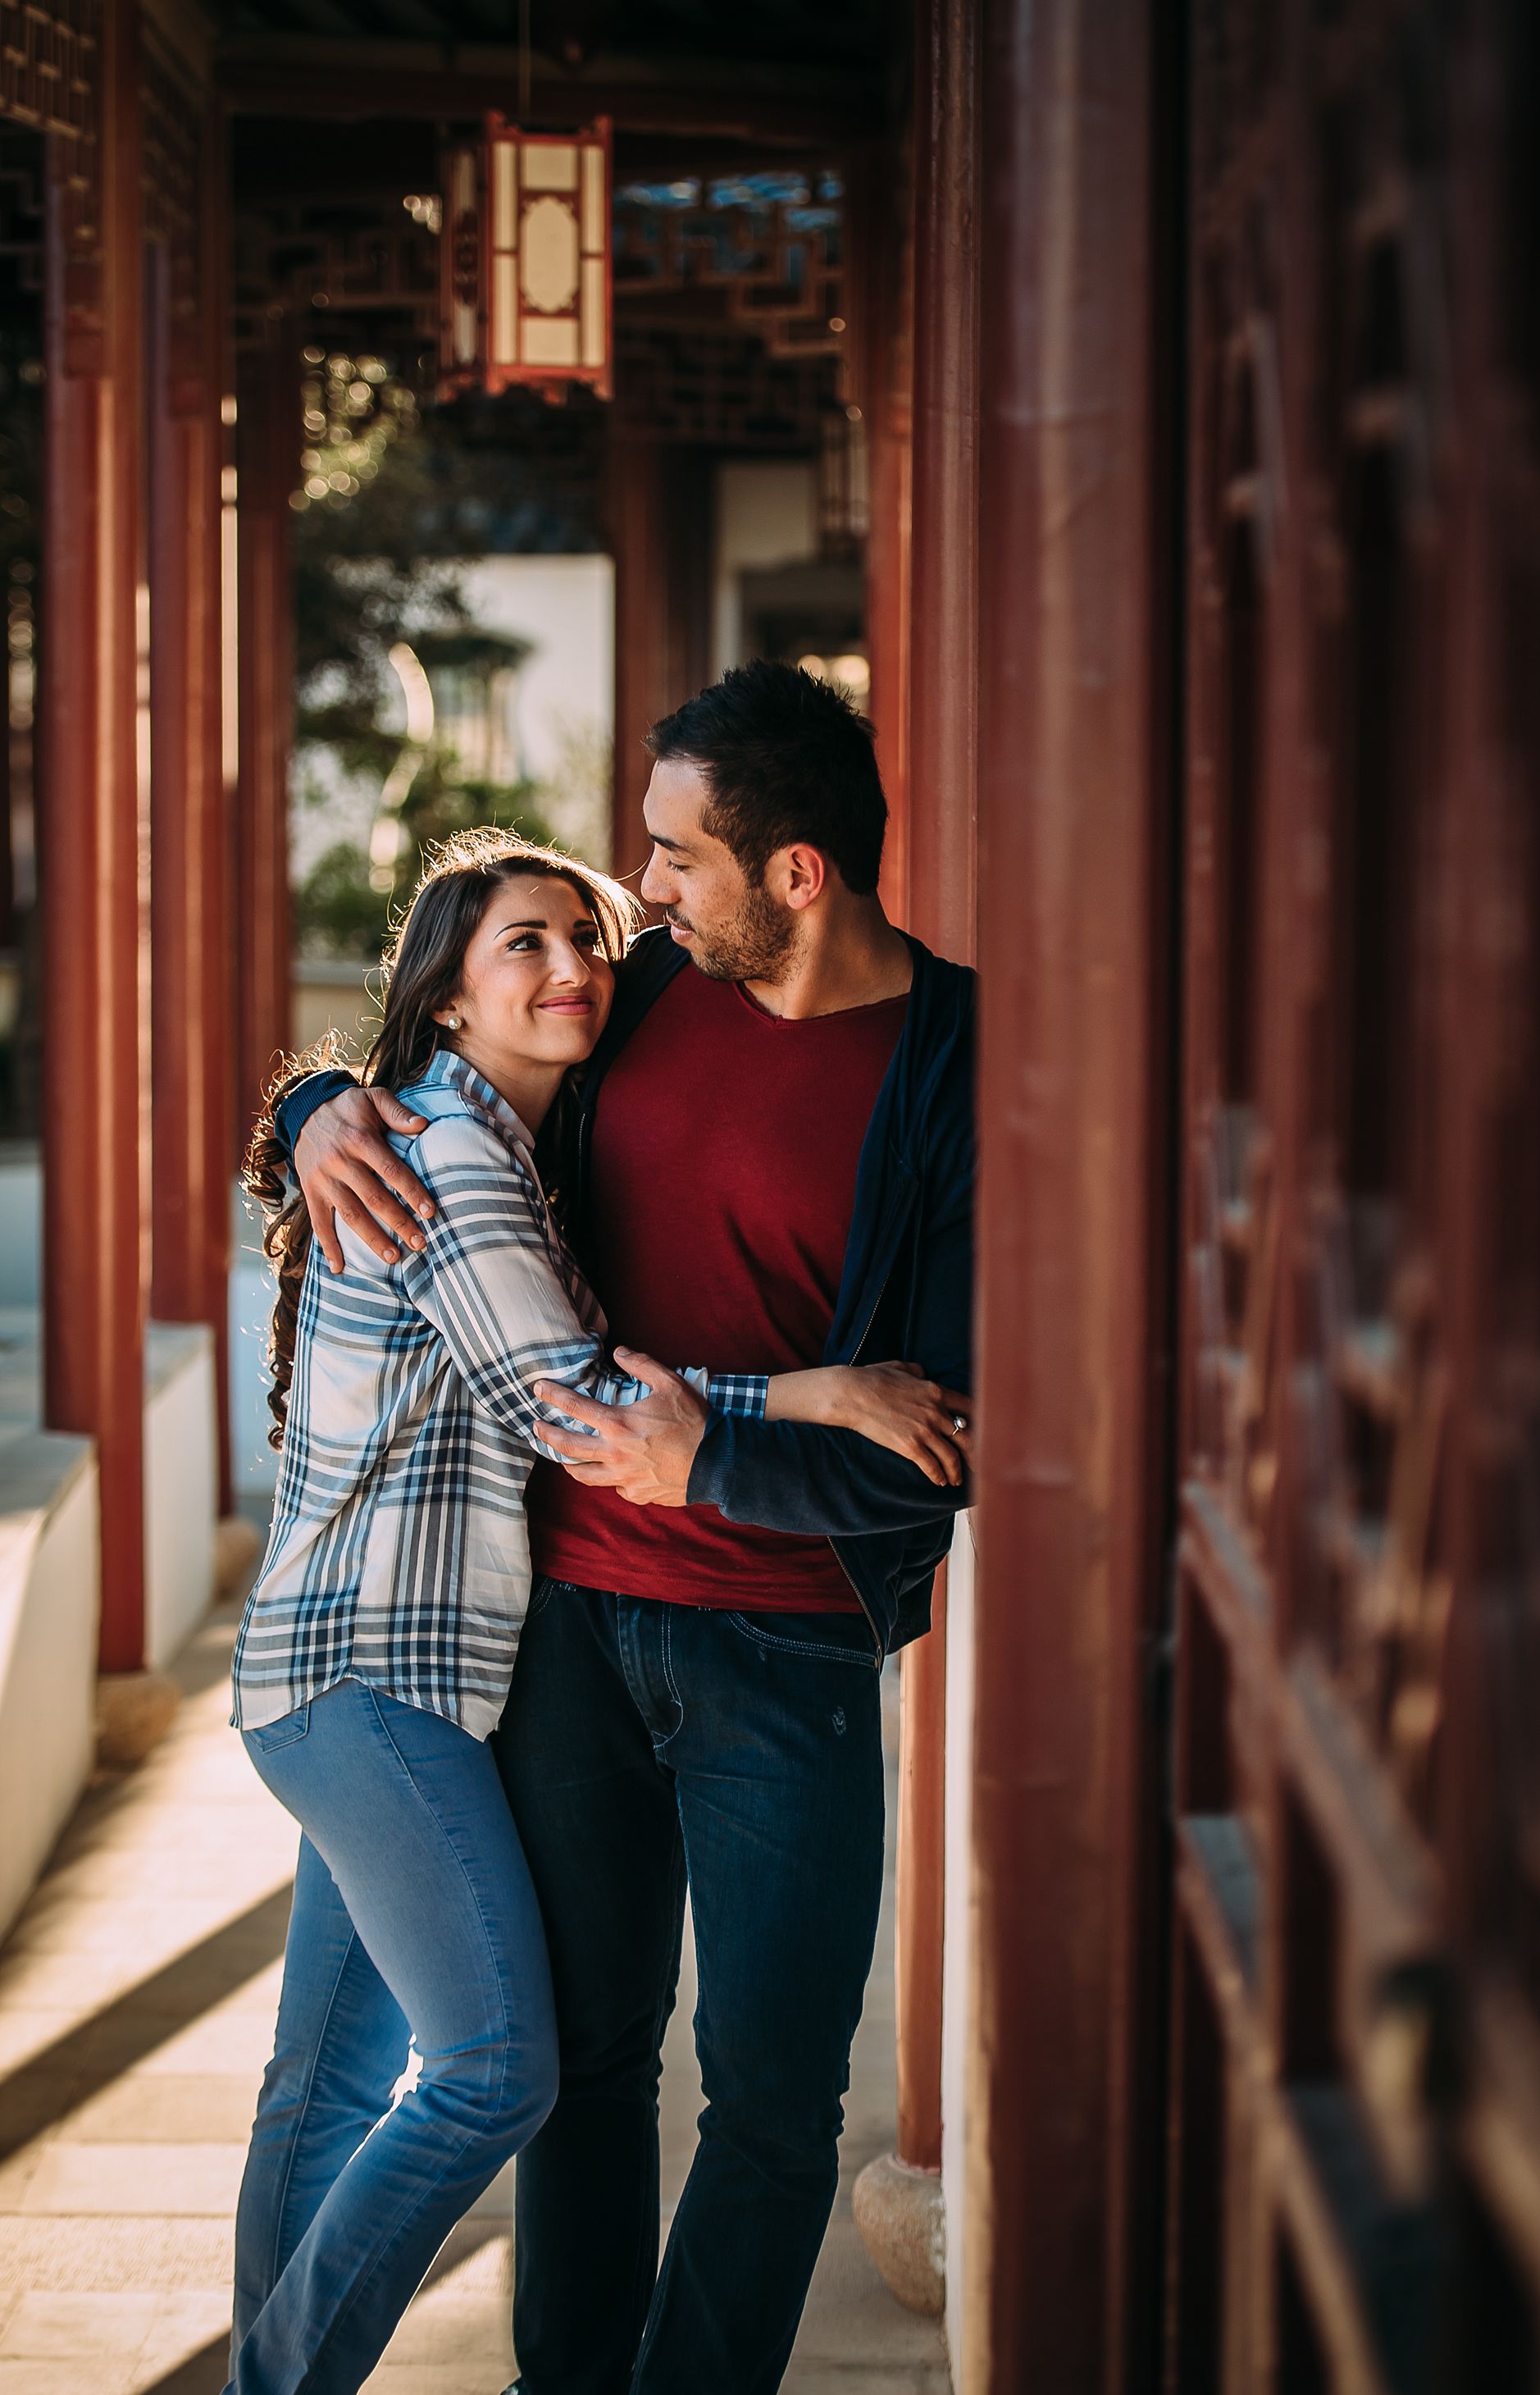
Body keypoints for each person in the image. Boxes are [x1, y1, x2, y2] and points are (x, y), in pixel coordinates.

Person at [284, 663, 976, 2395]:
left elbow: (943, 1423)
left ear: (795, 874)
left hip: (790, 1641)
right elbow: (438, 1091)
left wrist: (715, 1467)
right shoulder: (645, 997)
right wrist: (305, 1108)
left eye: (675, 855)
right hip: (565, 1622)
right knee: (583, 2065)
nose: (638, 890)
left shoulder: (961, 1070)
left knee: (774, 2099)